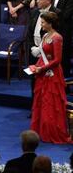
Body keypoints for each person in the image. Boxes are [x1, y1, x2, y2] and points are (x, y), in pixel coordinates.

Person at [30, 11, 71, 143]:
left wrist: (42, 68)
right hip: (42, 74)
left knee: (51, 103)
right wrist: (35, 67)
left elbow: (57, 60)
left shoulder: (57, 38)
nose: (41, 25)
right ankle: (41, 130)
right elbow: (43, 56)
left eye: (43, 22)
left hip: (53, 74)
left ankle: (52, 131)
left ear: (50, 23)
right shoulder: (45, 36)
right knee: (41, 101)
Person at [52, 0, 73, 77]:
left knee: (63, 56)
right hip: (52, 28)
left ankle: (64, 80)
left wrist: (51, 10)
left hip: (64, 29)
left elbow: (66, 14)